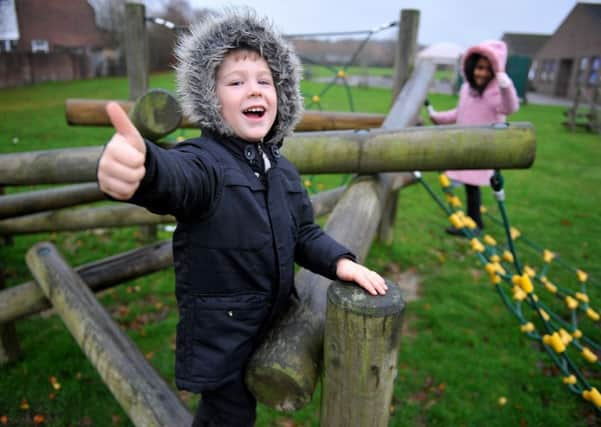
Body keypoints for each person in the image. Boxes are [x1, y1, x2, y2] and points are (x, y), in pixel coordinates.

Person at [96, 9, 387, 427]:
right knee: (227, 418)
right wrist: (143, 169)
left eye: (265, 81)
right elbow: (176, 177)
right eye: (236, 82)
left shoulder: (282, 170)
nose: (254, 90)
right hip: (224, 338)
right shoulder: (206, 164)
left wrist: (341, 261)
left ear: (281, 95)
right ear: (212, 99)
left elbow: (303, 231)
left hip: (271, 321)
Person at [426, 40, 519, 236]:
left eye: (488, 69)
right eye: (479, 68)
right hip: (465, 144)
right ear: (470, 67)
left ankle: (474, 224)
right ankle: (473, 221)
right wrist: (437, 116)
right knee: (469, 187)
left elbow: (510, 107)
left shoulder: (495, 92)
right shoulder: (467, 89)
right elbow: (460, 113)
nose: (482, 73)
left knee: (472, 187)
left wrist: (506, 86)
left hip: (483, 147)